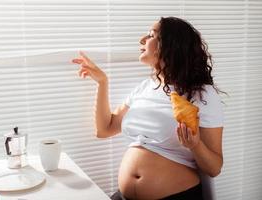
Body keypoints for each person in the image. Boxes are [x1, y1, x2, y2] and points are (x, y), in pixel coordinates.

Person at [72, 16, 224, 200]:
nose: (142, 40)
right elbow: (105, 129)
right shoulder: (145, 87)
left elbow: (214, 168)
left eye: (151, 35)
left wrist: (196, 145)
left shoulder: (202, 94)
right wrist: (102, 82)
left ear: (170, 46)